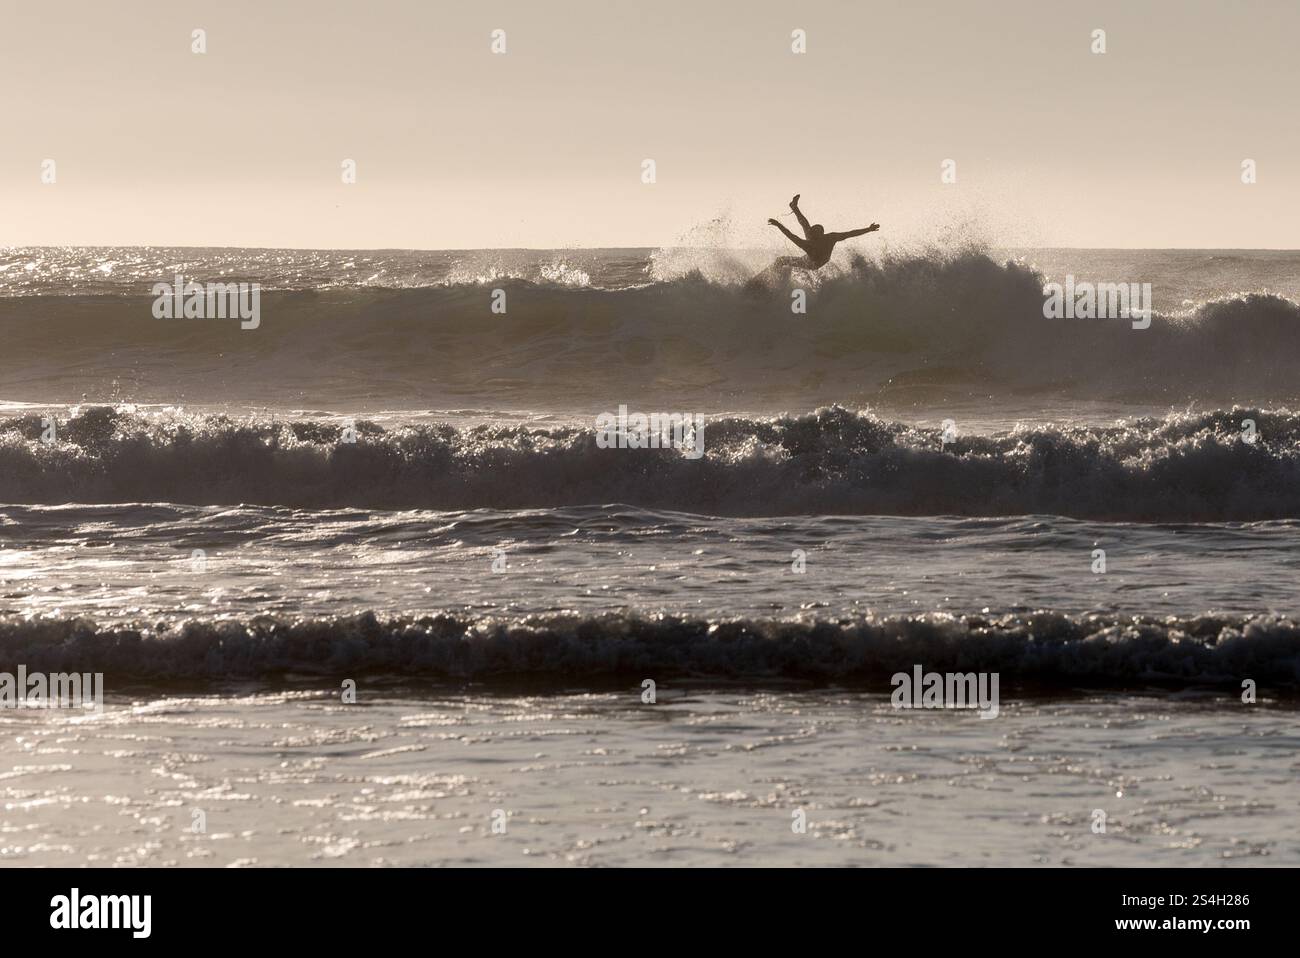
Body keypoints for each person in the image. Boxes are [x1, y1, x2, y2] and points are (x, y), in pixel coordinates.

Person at [767, 194, 879, 269]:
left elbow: (851, 233)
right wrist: (778, 225)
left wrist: (868, 229)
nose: (809, 234)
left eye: (812, 233)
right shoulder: (814, 241)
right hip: (811, 256)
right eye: (810, 233)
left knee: (782, 259)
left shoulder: (829, 238)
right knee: (781, 259)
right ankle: (794, 207)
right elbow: (790, 235)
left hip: (813, 263)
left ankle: (794, 207)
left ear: (820, 234)